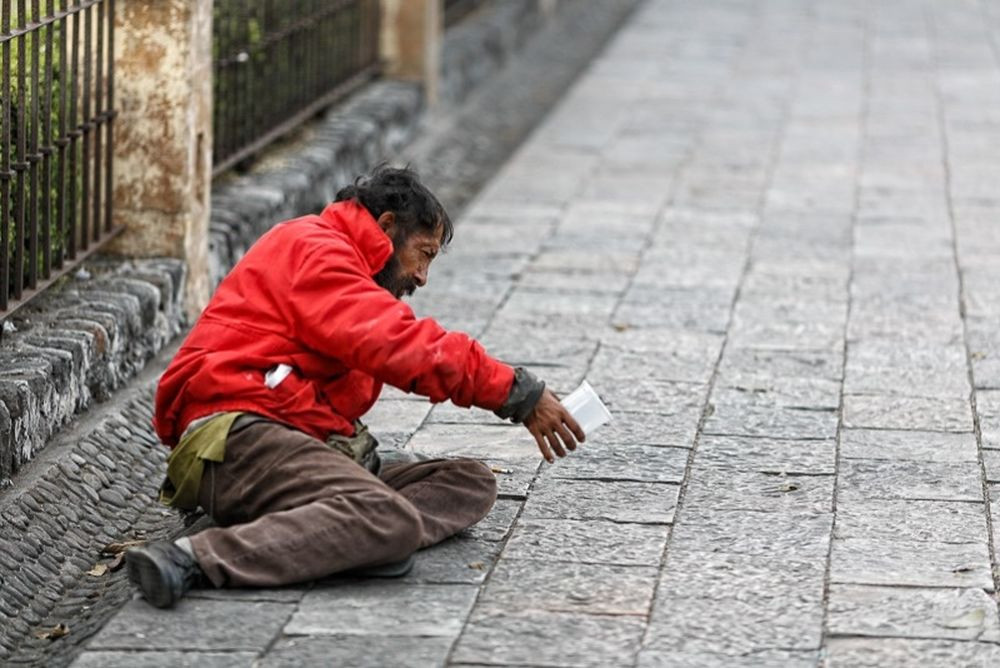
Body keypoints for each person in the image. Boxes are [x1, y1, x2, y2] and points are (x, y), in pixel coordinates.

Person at [126, 165, 584, 608]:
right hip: (234, 439)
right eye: (423, 254)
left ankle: (342, 535)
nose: (422, 277)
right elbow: (399, 345)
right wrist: (517, 394)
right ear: (387, 226)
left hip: (290, 438)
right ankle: (192, 559)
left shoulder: (347, 265)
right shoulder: (316, 249)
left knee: (469, 483)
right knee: (391, 519)